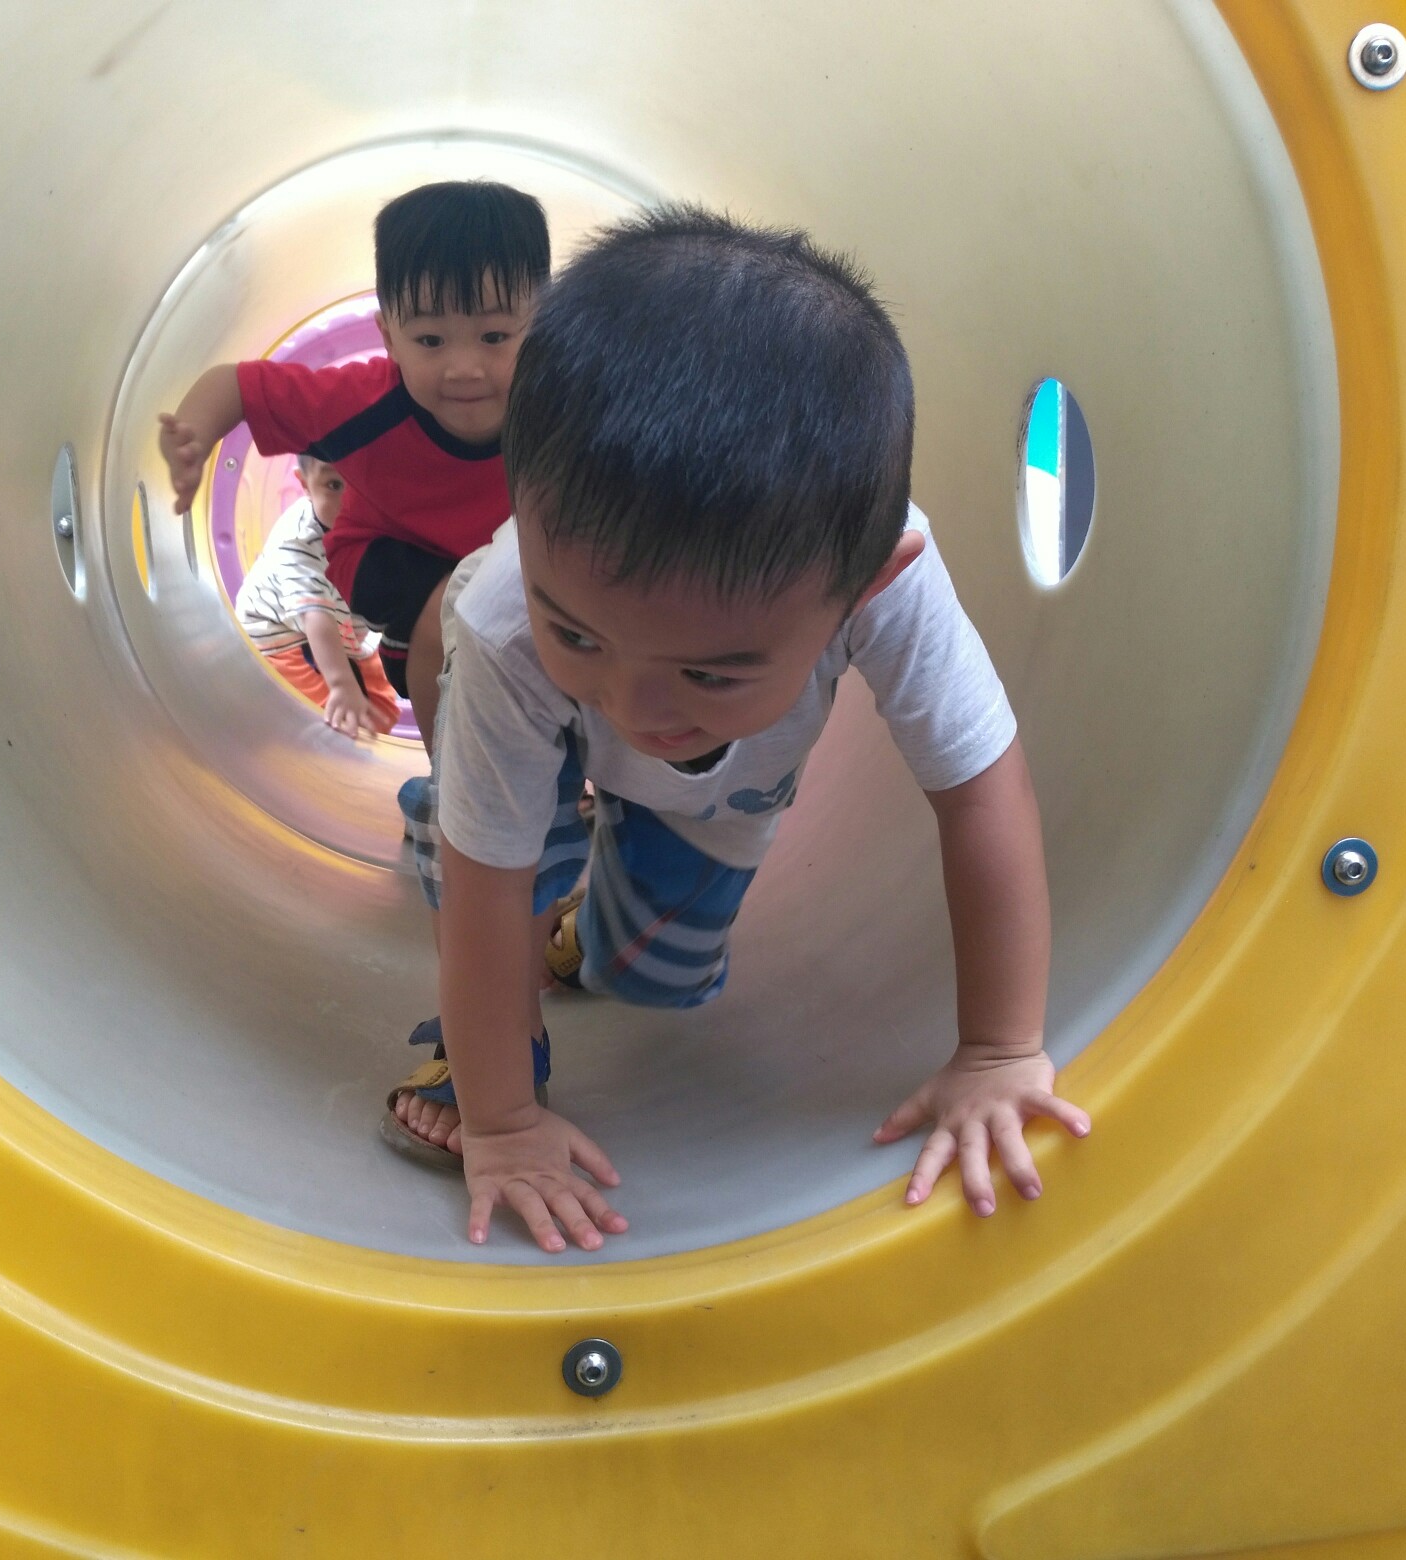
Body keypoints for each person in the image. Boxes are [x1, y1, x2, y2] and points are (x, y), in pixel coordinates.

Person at [381, 207, 1091, 1255]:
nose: (636, 708)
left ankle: (578, 916)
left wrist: (997, 1051)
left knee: (657, 978)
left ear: (863, 587)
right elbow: (488, 880)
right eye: (581, 631)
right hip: (520, 711)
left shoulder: (883, 574)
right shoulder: (509, 624)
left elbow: (982, 791)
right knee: (496, 861)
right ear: (521, 511)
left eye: (710, 671)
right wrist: (504, 1124)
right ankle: (469, 858)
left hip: (711, 785)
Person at [159, 180, 550, 754]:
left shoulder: (559, 409)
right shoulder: (364, 404)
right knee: (455, 611)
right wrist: (192, 438)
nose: (465, 367)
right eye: (430, 340)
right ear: (388, 337)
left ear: (543, 325)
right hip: (383, 556)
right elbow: (237, 386)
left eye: (494, 336)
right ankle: (453, 778)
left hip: (506, 558)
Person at [233, 456, 398, 739]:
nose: (352, 501)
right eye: (334, 485)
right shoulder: (298, 543)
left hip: (342, 626)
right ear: (305, 485)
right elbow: (315, 616)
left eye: (365, 482)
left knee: (381, 709)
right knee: (335, 721)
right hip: (281, 634)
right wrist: (341, 685)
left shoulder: (384, 521)